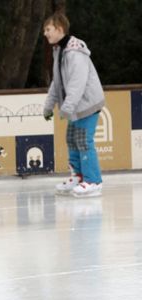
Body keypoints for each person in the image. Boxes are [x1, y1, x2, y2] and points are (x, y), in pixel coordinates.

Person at [42, 12, 105, 198]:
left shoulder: (74, 51)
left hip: (86, 104)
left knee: (84, 141)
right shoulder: (59, 50)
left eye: (48, 29)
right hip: (75, 106)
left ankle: (93, 181)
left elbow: (78, 82)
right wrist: (48, 106)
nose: (45, 33)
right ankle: (78, 176)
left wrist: (67, 107)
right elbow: (57, 82)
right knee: (72, 140)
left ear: (59, 29)